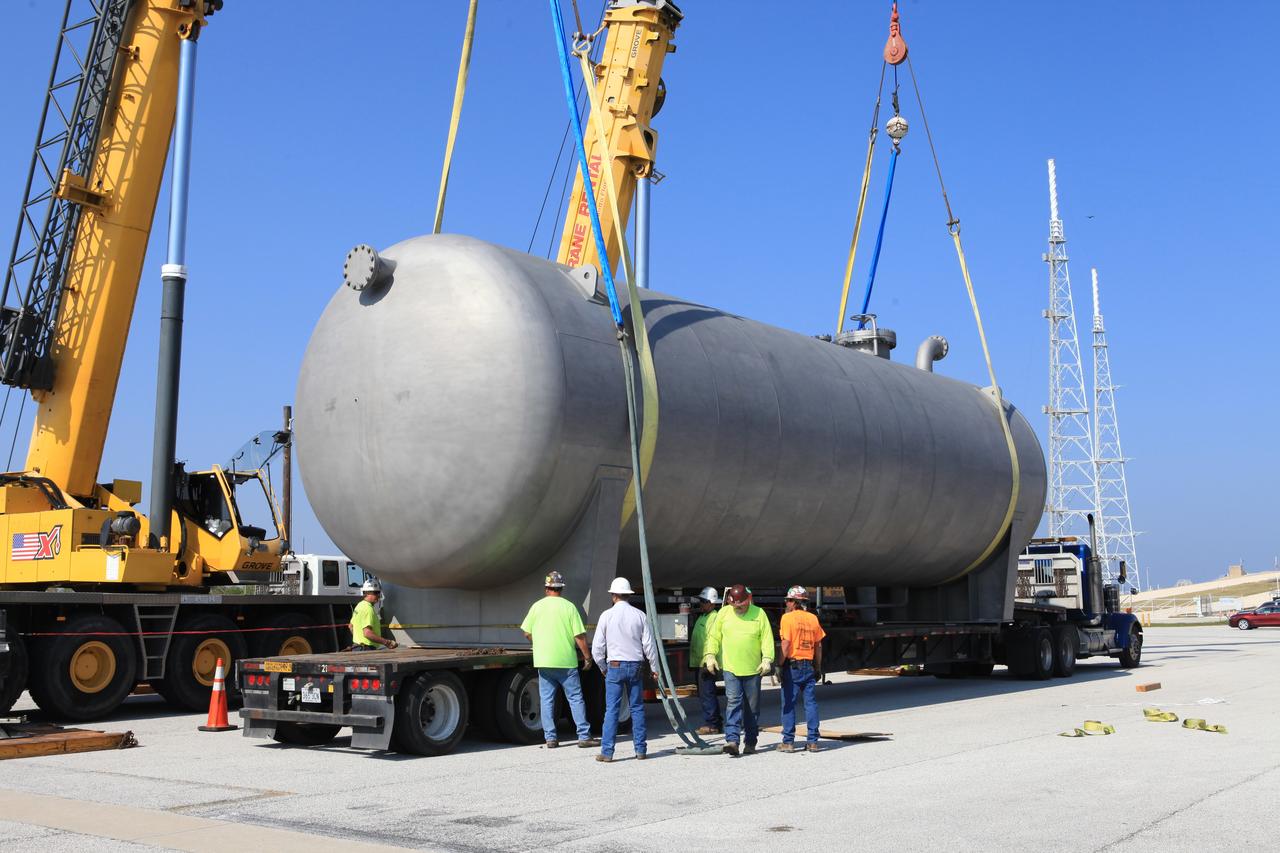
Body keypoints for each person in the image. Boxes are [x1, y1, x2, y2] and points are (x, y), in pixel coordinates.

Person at [519, 571, 600, 749]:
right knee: (575, 698)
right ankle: (584, 736)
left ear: (547, 588)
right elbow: (579, 636)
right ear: (561, 589)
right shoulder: (569, 607)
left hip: (544, 661)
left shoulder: (537, 607)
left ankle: (551, 738)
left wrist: (539, 643)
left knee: (547, 700)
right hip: (566, 661)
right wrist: (587, 657)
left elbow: (526, 632)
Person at [591, 577, 660, 762]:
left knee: (611, 710)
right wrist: (655, 668)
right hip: (636, 665)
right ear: (629, 595)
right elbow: (649, 645)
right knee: (636, 708)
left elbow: (597, 648)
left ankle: (607, 752)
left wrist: (603, 667)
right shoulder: (639, 615)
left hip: (614, 666)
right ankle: (640, 750)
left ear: (613, 596)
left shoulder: (606, 615)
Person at [704, 584, 773, 756]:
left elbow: (767, 638)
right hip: (731, 668)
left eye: (741, 605)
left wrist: (767, 659)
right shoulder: (724, 613)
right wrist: (710, 655)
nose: (738, 608)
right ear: (729, 601)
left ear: (748, 599)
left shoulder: (759, 614)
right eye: (734, 605)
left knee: (752, 708)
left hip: (753, 670)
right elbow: (714, 636)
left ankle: (750, 741)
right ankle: (732, 740)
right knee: (733, 703)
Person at [777, 585, 826, 753]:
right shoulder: (813, 619)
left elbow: (786, 644)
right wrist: (818, 667)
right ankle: (813, 742)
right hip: (809, 665)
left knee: (788, 704)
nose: (786, 604)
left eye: (788, 600)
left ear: (794, 602)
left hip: (793, 666)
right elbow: (818, 646)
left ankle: (788, 742)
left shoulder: (787, 618)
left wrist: (779, 664)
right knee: (810, 704)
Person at [688, 586, 724, 734]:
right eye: (701, 601)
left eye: (704, 601)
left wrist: (708, 660)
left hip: (707, 663)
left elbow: (712, 640)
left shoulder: (714, 617)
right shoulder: (703, 617)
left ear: (712, 603)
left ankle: (712, 724)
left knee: (707, 694)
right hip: (700, 662)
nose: (701, 604)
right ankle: (715, 721)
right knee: (705, 694)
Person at [349, 578, 398, 650]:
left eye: (379, 593)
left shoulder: (359, 606)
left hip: (357, 648)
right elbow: (367, 633)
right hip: (366, 649)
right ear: (367, 593)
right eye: (376, 593)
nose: (378, 595)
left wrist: (359, 640)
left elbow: (350, 626)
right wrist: (387, 642)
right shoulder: (368, 609)